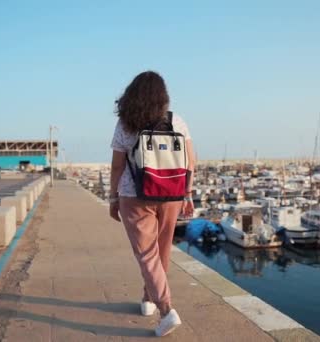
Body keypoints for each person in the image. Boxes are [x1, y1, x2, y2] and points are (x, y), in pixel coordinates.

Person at [109, 71, 195, 337]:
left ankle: (166, 309)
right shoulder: (175, 120)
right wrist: (188, 194)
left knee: (147, 254)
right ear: (163, 95)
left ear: (132, 94)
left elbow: (117, 165)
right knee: (161, 250)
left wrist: (112, 197)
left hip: (134, 195)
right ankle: (148, 299)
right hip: (171, 194)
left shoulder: (126, 123)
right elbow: (190, 161)